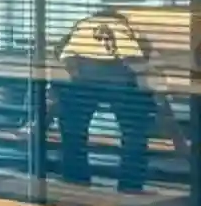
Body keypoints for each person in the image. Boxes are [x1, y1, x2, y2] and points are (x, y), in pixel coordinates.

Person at [56, 11, 157, 192]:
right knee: (134, 131)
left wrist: (76, 72)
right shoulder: (124, 27)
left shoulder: (83, 25)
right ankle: (131, 185)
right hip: (120, 78)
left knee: (72, 129)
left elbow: (63, 55)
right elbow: (138, 58)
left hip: (84, 77)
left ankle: (75, 180)